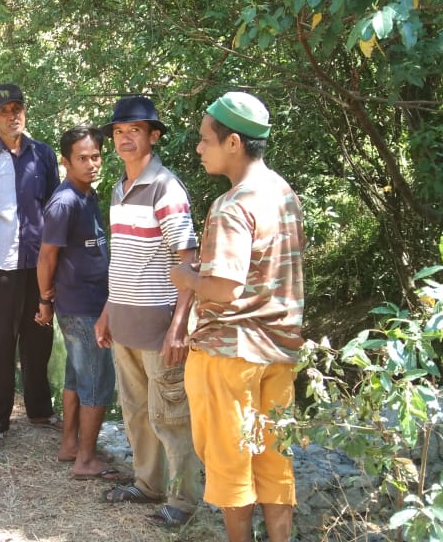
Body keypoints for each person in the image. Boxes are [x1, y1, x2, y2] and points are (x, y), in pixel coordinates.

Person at [169, 92, 304, 542]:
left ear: (233, 143)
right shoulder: (284, 194)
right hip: (280, 350)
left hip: (229, 354)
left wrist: (186, 276)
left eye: (205, 139)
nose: (198, 148)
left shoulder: (232, 206)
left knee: (231, 466)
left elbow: (225, 289)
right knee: (274, 462)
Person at [93, 96, 203, 527]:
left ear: (153, 137)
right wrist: (106, 311)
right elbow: (123, 259)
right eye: (119, 132)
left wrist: (180, 326)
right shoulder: (120, 187)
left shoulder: (166, 187)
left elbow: (187, 258)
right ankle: (146, 484)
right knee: (137, 411)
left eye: (134, 131)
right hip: (124, 322)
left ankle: (183, 501)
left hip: (160, 324)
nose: (124, 138)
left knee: (172, 415)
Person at [0, 83, 60, 451]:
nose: (12, 115)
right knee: (1, 344)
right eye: (4, 110)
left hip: (39, 265)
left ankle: (39, 410)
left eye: (17, 108)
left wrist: (58, 264)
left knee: (39, 338)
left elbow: (54, 208)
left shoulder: (44, 156)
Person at [34, 126, 118, 480]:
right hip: (82, 305)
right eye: (82, 158)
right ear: (66, 161)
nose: (91, 164)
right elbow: (46, 256)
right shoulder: (65, 201)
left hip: (92, 300)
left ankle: (71, 446)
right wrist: (44, 301)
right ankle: (86, 460)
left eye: (95, 156)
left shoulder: (88, 195)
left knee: (76, 378)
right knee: (97, 382)